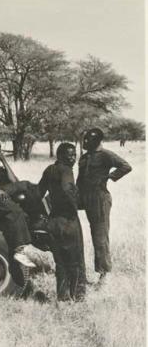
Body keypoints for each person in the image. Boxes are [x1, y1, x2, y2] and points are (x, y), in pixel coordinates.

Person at [0, 136, 48, 269]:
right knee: (15, 211)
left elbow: (14, 180)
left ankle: (40, 212)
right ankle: (20, 250)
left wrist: (3, 160)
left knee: (25, 185)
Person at [77, 128, 132, 286]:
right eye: (84, 139)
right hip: (84, 198)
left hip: (100, 199)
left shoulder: (106, 155)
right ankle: (79, 275)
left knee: (100, 237)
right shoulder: (84, 157)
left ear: (96, 140)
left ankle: (103, 276)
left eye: (88, 139)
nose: (85, 142)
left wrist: (109, 177)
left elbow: (125, 166)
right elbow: (79, 180)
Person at [38, 143, 86, 301]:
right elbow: (67, 190)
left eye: (74, 155)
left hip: (53, 221)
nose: (72, 158)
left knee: (60, 262)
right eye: (69, 155)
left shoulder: (49, 170)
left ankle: (63, 297)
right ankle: (78, 296)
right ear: (60, 156)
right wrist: (75, 206)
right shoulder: (66, 170)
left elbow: (38, 192)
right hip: (68, 220)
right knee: (75, 261)